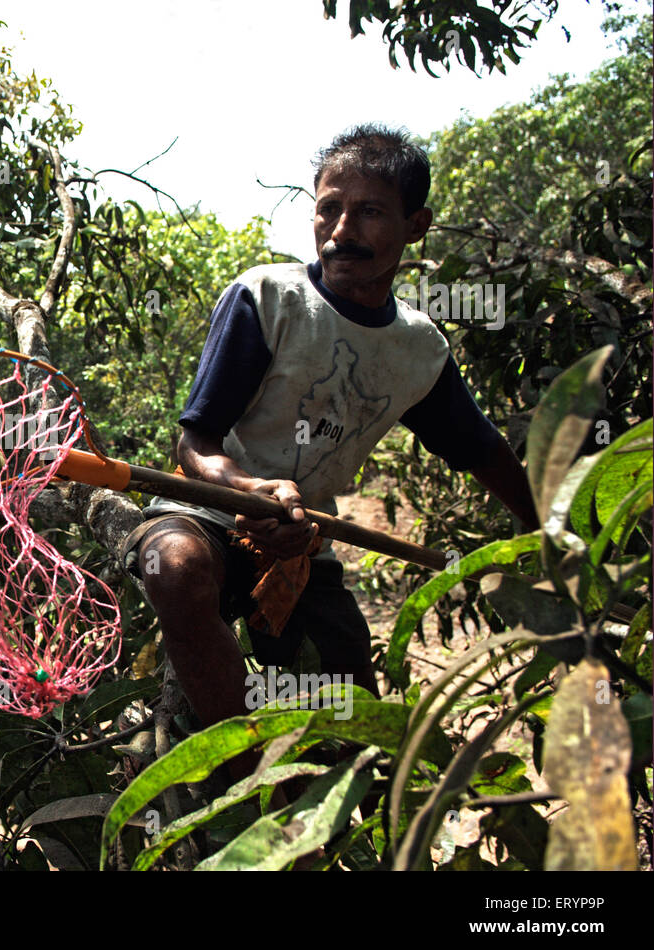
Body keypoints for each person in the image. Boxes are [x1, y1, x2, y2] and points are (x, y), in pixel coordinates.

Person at [121, 124, 539, 783]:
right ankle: (246, 776)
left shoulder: (417, 349)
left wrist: (540, 530)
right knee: (174, 567)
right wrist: (247, 489)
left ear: (415, 224)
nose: (342, 230)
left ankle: (356, 814)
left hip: (303, 537)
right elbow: (194, 442)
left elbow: (480, 450)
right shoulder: (269, 300)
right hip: (204, 507)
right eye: (328, 209)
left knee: (355, 717)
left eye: (369, 211)